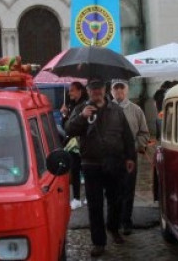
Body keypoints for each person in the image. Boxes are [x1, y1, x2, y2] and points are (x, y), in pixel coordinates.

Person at [64, 77, 136, 258]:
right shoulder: (81, 109)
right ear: (88, 91)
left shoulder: (116, 110)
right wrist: (82, 117)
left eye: (99, 88)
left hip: (115, 162)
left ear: (105, 90)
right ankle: (98, 242)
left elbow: (126, 135)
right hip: (91, 164)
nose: (96, 92)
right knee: (95, 205)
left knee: (116, 200)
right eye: (93, 89)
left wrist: (130, 157)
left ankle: (113, 228)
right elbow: (69, 129)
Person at [110, 79, 150, 235]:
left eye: (122, 88)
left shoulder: (136, 110)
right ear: (111, 91)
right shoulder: (106, 109)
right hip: (112, 157)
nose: (119, 91)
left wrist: (134, 147)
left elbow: (144, 133)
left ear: (127, 91)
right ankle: (114, 221)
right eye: (116, 89)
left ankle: (126, 221)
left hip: (129, 157)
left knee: (128, 190)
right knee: (113, 191)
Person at [60, 81, 87, 210]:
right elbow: (66, 127)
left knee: (86, 170)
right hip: (72, 144)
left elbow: (79, 125)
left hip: (82, 143)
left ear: (79, 91)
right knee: (75, 170)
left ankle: (87, 196)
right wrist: (65, 115)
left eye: (72, 90)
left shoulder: (85, 105)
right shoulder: (71, 105)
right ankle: (76, 198)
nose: (69, 93)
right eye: (69, 90)